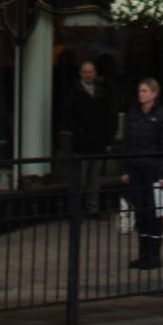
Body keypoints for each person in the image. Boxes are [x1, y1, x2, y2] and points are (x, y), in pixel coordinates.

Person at [122, 77, 163, 270]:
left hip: (153, 169)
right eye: (140, 91)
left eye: (145, 91)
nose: (141, 94)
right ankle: (143, 254)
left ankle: (154, 255)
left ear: (154, 94)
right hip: (136, 167)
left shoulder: (162, 116)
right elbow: (128, 142)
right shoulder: (133, 114)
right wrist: (126, 169)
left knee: (154, 212)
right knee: (140, 211)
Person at [61, 60, 116, 214]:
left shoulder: (102, 91)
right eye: (85, 72)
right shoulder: (73, 91)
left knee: (95, 180)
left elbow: (109, 116)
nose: (88, 75)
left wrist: (108, 140)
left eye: (90, 72)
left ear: (95, 74)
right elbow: (68, 116)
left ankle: (93, 209)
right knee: (80, 179)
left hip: (98, 142)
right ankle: (77, 210)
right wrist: (79, 132)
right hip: (81, 142)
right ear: (80, 74)